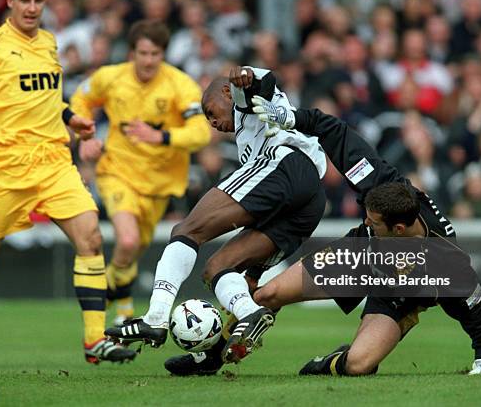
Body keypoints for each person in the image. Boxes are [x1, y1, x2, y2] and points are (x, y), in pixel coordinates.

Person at [164, 98, 481, 376]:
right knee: (267, 295)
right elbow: (333, 131)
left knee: (359, 364)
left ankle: (327, 364)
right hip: (359, 257)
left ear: (399, 230)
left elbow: (477, 309)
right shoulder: (379, 182)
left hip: (401, 294)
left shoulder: (443, 259)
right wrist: (290, 116)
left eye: (373, 223)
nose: (366, 221)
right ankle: (210, 360)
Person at [0, 0, 135, 364]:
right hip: (7, 167)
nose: (32, 8)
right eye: (25, 0)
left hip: (54, 161)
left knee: (91, 237)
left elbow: (44, 98)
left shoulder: (48, 41)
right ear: (10, 2)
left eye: (38, 0)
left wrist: (69, 117)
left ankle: (95, 341)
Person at [104, 66, 327, 364]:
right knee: (217, 267)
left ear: (225, 93)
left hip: (284, 164)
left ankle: (156, 316)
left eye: (211, 112)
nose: (212, 123)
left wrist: (243, 76)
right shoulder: (250, 135)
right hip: (310, 199)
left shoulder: (243, 101)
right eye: (207, 119)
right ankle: (247, 317)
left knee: (186, 230)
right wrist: (254, 277)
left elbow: (260, 81)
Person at [70, 20, 211, 326]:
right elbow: (80, 99)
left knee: (131, 251)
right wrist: (86, 136)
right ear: (132, 52)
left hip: (160, 185)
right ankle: (105, 293)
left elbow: (201, 132)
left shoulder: (180, 85)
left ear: (163, 54)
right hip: (117, 172)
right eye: (143, 53)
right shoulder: (110, 77)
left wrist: (160, 136)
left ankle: (120, 296)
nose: (148, 60)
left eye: (155, 54)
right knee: (129, 240)